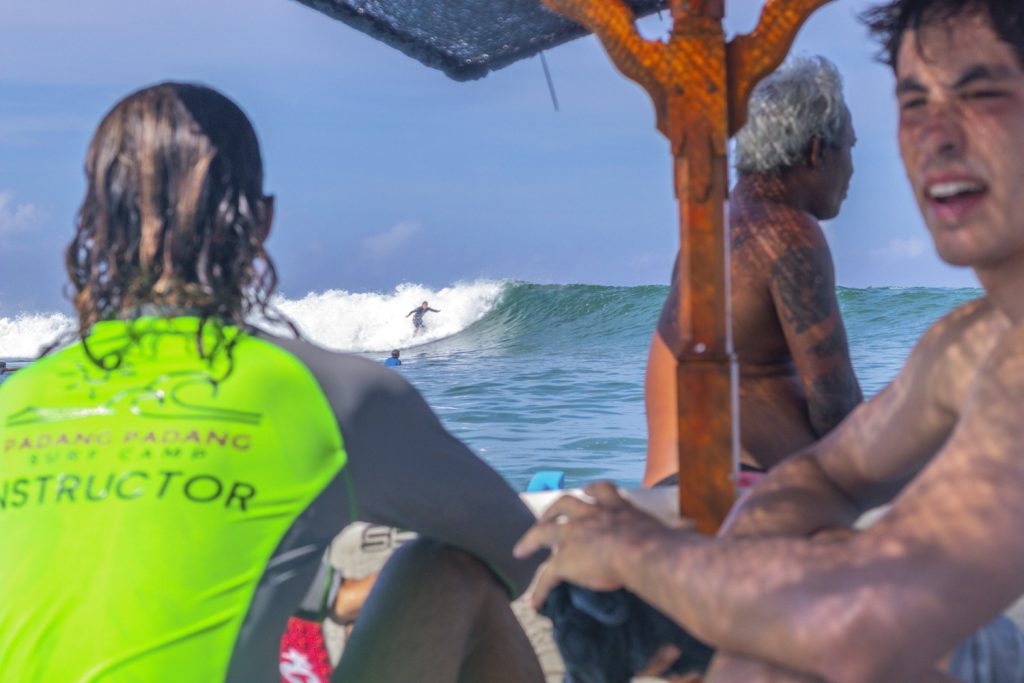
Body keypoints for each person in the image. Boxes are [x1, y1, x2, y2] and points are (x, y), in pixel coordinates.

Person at [516, 1, 1024, 680]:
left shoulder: (737, 223)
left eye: (981, 92)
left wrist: (643, 553)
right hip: (736, 487)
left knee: (778, 654)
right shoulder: (964, 341)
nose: (935, 134)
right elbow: (829, 465)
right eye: (912, 100)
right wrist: (725, 557)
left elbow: (864, 626)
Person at [0, 83, 544, 682]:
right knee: (446, 569)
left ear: (95, 223)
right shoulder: (334, 393)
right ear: (262, 221)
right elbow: (524, 555)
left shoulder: (15, 399)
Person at [645, 55, 862, 486]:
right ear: (818, 151)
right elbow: (833, 404)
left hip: (673, 482)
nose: (852, 169)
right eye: (850, 148)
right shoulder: (787, 231)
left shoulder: (711, 225)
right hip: (739, 489)